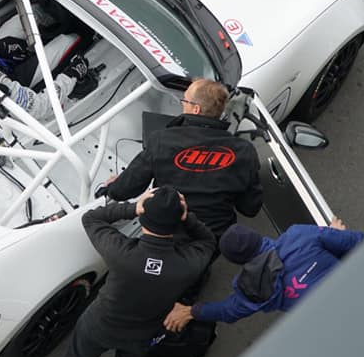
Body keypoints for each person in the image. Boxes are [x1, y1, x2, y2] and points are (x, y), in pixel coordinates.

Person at [61, 186, 216, 357]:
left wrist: (132, 208)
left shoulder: (120, 253)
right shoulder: (187, 266)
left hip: (99, 325)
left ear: (142, 217)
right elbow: (208, 241)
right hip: (141, 335)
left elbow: (90, 218)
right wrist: (186, 217)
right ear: (177, 224)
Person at [106, 78, 262, 240]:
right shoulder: (244, 151)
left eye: (185, 100)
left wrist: (112, 187)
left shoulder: (162, 140)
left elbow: (124, 191)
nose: (182, 104)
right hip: (214, 239)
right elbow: (250, 208)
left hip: (167, 235)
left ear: (196, 109)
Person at [163, 218, 364, 330]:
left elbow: (228, 311)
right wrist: (334, 235)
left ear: (237, 261)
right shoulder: (299, 234)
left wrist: (190, 311)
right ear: (255, 235)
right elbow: (357, 242)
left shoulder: (251, 287)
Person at [0, 0, 93, 120]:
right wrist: (71, 75)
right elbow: (39, 107)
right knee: (69, 41)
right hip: (2, 87)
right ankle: (89, 34)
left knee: (32, 14)